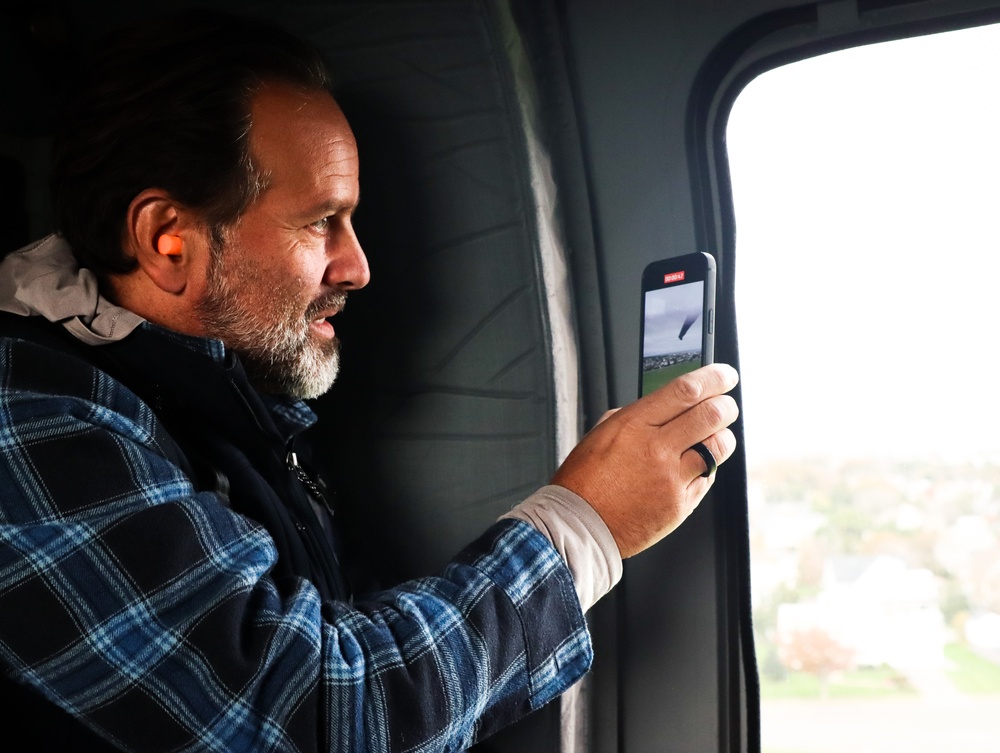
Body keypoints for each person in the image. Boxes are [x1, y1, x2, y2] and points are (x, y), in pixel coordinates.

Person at [0, 12, 738, 753]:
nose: (358, 267)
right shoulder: (28, 423)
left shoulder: (229, 408)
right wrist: (582, 525)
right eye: (323, 221)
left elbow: (336, 636)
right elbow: (314, 715)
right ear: (169, 240)